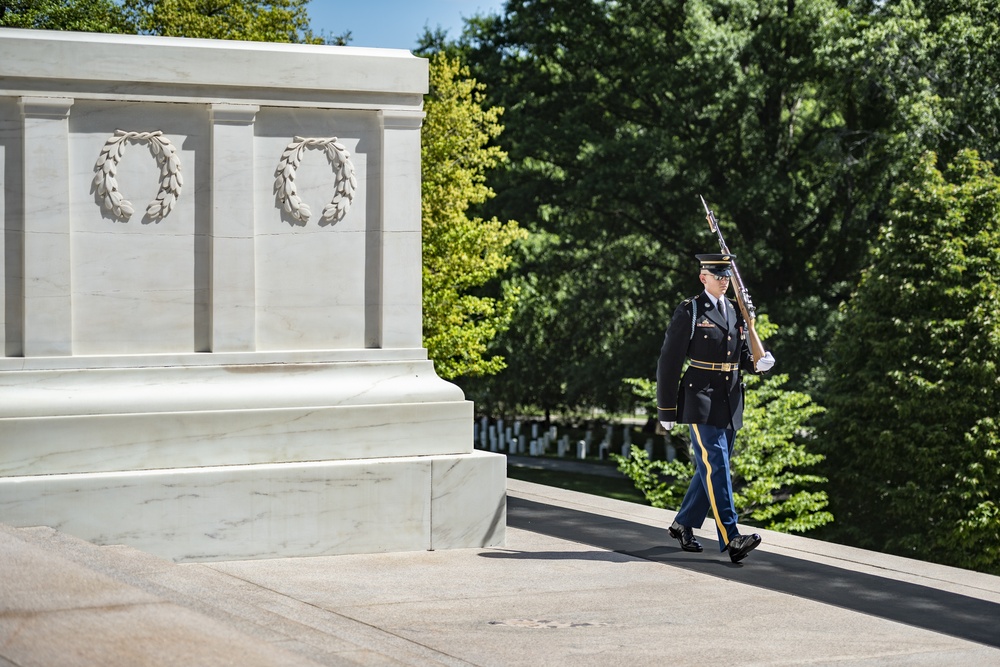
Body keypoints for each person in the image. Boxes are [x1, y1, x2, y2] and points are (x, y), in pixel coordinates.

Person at [656, 253, 775, 563]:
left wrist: (759, 361)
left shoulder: (736, 311)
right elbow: (669, 362)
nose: (723, 279)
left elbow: (744, 357)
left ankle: (683, 523)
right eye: (716, 274)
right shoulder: (691, 310)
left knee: (710, 467)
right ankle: (731, 536)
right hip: (701, 399)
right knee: (717, 464)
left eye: (726, 275)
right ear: (703, 277)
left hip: (730, 398)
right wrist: (666, 410)